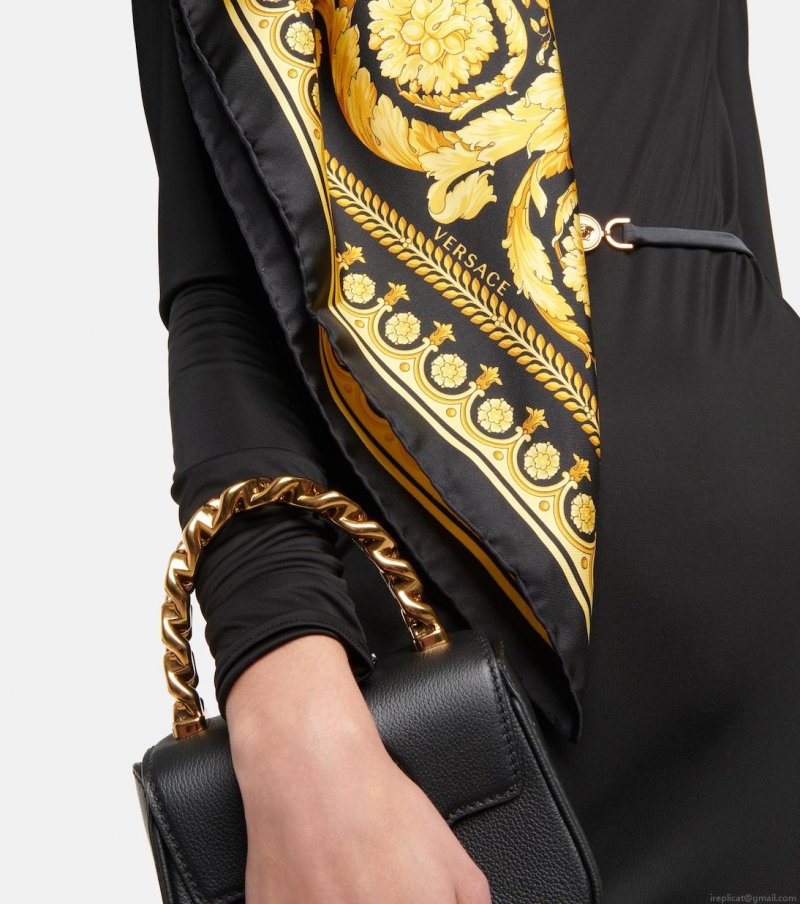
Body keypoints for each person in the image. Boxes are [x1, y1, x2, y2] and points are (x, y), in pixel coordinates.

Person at [131, 0, 800, 900]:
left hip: (766, 651)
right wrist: (284, 688)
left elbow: (727, 195)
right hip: (453, 718)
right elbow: (223, 288)